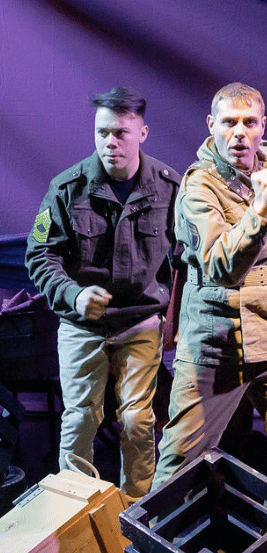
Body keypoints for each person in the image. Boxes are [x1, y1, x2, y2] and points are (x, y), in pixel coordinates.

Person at [152, 82, 267, 502]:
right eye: (229, 123)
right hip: (217, 337)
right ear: (213, 126)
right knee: (181, 457)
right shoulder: (199, 187)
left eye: (249, 122)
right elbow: (220, 265)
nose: (240, 133)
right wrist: (258, 209)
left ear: (263, 125)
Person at [25, 87, 181, 505]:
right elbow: (39, 253)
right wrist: (72, 295)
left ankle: (139, 513)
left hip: (140, 322)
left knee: (136, 420)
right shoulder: (65, 189)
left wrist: (177, 318)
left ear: (142, 133)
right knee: (79, 419)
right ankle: (74, 512)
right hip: (83, 324)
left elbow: (190, 256)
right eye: (102, 132)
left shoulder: (169, 188)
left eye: (121, 133)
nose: (110, 142)